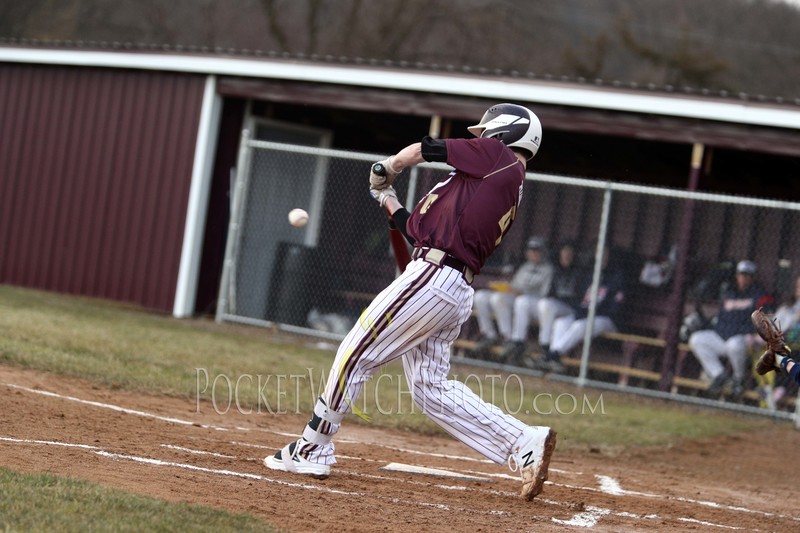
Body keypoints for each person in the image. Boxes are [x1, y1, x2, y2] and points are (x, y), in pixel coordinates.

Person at [264, 103, 557, 500]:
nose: (480, 137)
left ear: (505, 132)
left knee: (356, 352)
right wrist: (385, 196)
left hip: (435, 277)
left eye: (487, 131)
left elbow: (425, 149)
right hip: (448, 283)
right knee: (428, 389)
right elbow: (415, 229)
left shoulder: (499, 157)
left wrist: (390, 165)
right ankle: (522, 440)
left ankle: (312, 446)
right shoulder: (482, 182)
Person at [689, 260, 774, 400]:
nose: (743, 278)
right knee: (697, 339)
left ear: (753, 277)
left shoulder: (759, 295)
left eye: (747, 275)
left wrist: (755, 335)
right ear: (737, 276)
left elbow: (766, 320)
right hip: (722, 336)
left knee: (734, 344)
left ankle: (739, 379)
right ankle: (719, 375)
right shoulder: (729, 293)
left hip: (743, 340)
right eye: (741, 275)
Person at [536, 246, 625, 372]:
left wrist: (592, 312)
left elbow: (614, 307)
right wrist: (581, 311)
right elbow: (580, 300)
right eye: (599, 253)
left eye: (605, 254)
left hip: (606, 319)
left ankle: (553, 355)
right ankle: (553, 357)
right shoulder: (590, 274)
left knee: (580, 326)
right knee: (561, 323)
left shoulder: (616, 276)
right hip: (585, 315)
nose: (601, 257)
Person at [472, 237, 553, 361]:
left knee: (508, 300)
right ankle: (490, 334)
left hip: (533, 303)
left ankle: (509, 338)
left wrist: (522, 291)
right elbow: (514, 287)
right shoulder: (525, 267)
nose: (534, 253)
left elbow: (544, 294)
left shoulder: (548, 269)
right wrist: (504, 288)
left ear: (543, 252)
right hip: (517, 299)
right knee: (481, 296)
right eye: (531, 250)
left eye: (537, 250)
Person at [501, 240, 581, 366]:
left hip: (569, 309)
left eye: (569, 254)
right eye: (564, 253)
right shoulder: (556, 269)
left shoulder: (579, 272)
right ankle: (518, 342)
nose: (566, 256)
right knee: (524, 301)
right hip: (551, 306)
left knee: (547, 304)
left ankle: (544, 345)